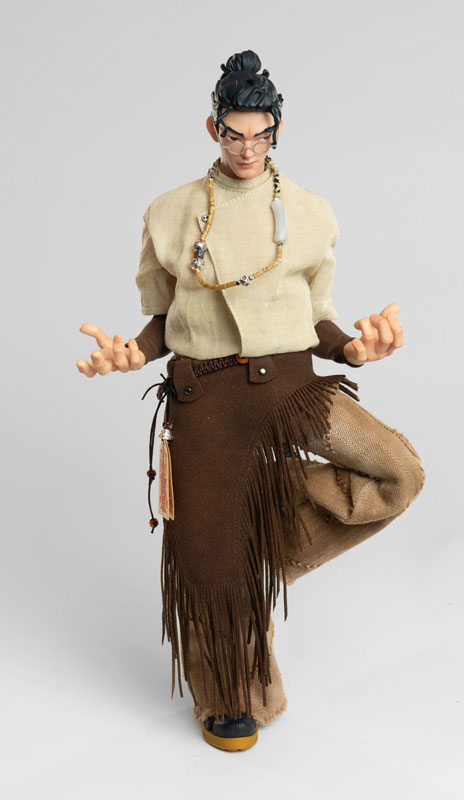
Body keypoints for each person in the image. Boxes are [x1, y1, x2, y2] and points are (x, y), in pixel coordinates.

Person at [76, 50, 426, 752]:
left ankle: (263, 541)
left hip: (291, 388)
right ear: (213, 129)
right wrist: (131, 355)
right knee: (210, 564)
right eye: (234, 134)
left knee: (398, 472)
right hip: (205, 398)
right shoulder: (169, 212)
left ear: (277, 132)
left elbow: (318, 316)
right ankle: (229, 694)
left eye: (260, 135)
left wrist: (354, 351)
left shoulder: (310, 212)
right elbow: (160, 320)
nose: (246, 148)